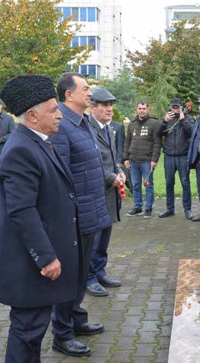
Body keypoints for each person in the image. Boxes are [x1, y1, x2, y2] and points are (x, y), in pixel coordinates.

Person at [0, 74, 83, 362]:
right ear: (32, 115)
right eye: (53, 110)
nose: (59, 116)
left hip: (35, 263)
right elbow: (22, 211)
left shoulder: (38, 142)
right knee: (27, 331)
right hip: (29, 265)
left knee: (33, 331)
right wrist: (46, 258)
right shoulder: (20, 149)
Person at [48, 73, 106, 356]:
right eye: (85, 88)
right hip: (75, 215)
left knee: (82, 273)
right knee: (70, 276)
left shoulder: (82, 122)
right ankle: (62, 333)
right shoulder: (61, 125)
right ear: (68, 95)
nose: (90, 92)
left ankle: (76, 319)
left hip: (90, 210)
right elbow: (61, 176)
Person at [86, 88, 125, 296]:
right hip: (96, 192)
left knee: (105, 237)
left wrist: (119, 171)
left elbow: (112, 158)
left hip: (109, 193)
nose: (110, 109)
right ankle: (88, 277)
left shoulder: (108, 129)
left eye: (111, 105)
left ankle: (99, 271)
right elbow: (91, 163)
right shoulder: (88, 129)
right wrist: (112, 178)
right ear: (93, 108)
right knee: (94, 239)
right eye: (105, 105)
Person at [157, 98, 194, 219]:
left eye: (177, 107)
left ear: (182, 107)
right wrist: (164, 121)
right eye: (173, 107)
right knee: (169, 183)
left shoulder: (187, 118)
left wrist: (183, 120)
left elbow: (192, 132)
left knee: (185, 183)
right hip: (169, 156)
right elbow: (158, 133)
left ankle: (187, 209)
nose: (175, 109)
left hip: (183, 155)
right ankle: (169, 208)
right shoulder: (167, 118)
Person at [123, 102, 161, 218]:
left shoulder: (154, 124)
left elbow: (157, 143)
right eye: (139, 108)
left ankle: (148, 208)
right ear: (136, 109)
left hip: (147, 161)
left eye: (144, 108)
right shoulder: (132, 124)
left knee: (148, 185)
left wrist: (154, 160)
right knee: (135, 185)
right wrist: (125, 158)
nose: (141, 111)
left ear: (148, 109)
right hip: (133, 160)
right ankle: (138, 207)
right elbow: (127, 142)